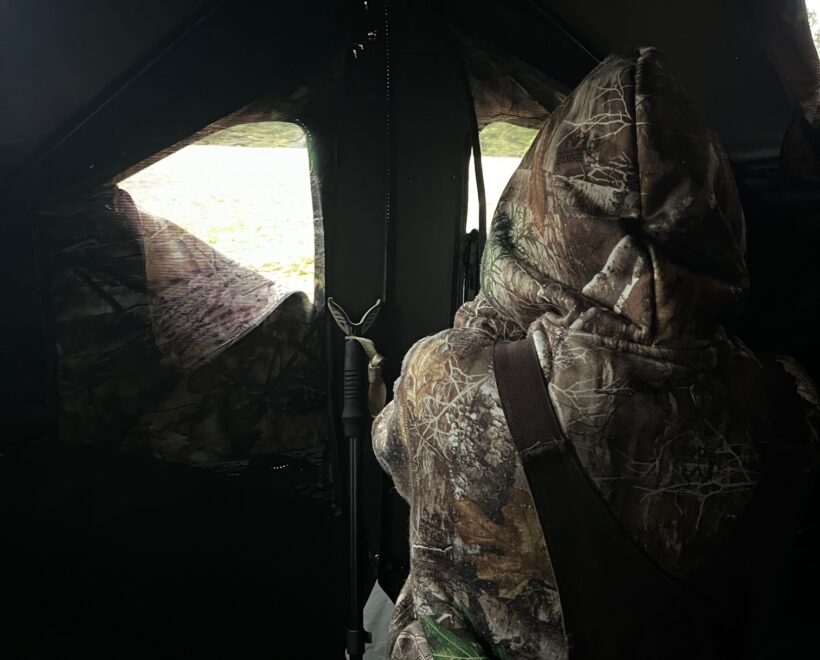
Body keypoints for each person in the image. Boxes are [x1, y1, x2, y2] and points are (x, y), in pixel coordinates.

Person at [372, 48, 819, 658]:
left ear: (532, 211)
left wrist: (495, 313)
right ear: (719, 217)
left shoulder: (445, 377)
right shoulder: (795, 402)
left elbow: (394, 451)